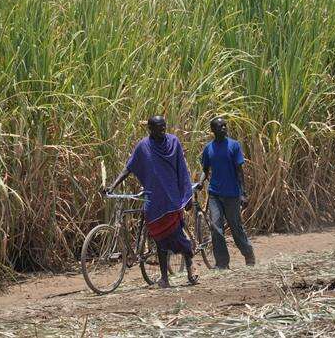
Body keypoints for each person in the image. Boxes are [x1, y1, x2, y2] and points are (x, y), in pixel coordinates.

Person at [105, 115, 199, 288]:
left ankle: (189, 261)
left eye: (164, 127)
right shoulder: (143, 146)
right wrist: (112, 186)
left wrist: (187, 196)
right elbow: (129, 167)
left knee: (177, 236)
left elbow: (182, 170)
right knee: (159, 238)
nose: (162, 130)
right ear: (150, 129)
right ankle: (164, 278)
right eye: (158, 128)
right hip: (153, 200)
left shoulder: (174, 142)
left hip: (172, 199)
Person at [198, 117, 255, 269]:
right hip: (215, 194)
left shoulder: (234, 146)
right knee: (216, 228)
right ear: (213, 130)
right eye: (220, 126)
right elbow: (205, 170)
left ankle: (248, 254)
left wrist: (243, 193)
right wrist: (200, 182)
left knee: (235, 227)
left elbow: (239, 171)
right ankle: (222, 263)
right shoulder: (208, 148)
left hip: (232, 194)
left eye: (225, 126)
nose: (223, 128)